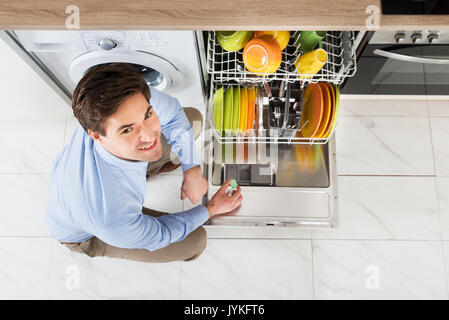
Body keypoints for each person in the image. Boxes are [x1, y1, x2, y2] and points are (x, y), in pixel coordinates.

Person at [45, 63, 242, 263]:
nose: (149, 136)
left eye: (148, 115)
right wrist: (211, 209)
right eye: (127, 130)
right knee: (195, 240)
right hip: (88, 232)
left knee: (191, 120)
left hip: (96, 177)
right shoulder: (111, 217)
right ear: (97, 136)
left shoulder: (126, 102)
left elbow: (174, 115)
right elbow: (161, 234)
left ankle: (148, 167)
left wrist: (191, 169)